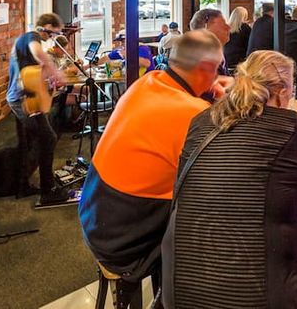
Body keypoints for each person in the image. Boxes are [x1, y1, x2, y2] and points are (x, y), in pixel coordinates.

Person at [161, 51, 297, 309]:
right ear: (282, 93)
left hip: (178, 294)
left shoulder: (201, 121)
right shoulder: (293, 125)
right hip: (261, 299)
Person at [78, 31, 224, 290]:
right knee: (220, 228)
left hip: (95, 213)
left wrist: (205, 90)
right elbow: (222, 175)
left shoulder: (148, 81)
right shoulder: (194, 114)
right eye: (217, 68)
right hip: (124, 243)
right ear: (205, 68)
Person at [5, 13, 69, 204]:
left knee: (35, 141)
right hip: (22, 100)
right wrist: (55, 71)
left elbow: (31, 73)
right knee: (48, 138)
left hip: (28, 96)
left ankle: (23, 186)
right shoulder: (31, 38)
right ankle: (48, 191)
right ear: (47, 26)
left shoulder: (28, 41)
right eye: (53, 33)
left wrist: (48, 79)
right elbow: (38, 54)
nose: (53, 38)